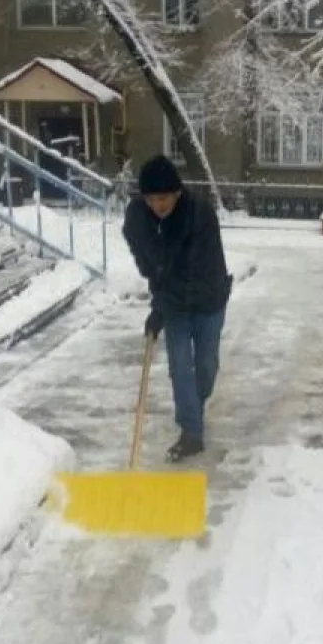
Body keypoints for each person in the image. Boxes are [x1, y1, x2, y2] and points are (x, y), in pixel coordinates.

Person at [122, 154, 232, 461]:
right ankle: (191, 433)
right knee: (180, 367)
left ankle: (194, 408)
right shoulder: (138, 222)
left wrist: (160, 306)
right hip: (176, 307)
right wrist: (161, 306)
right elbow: (152, 268)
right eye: (152, 199)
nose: (159, 205)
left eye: (164, 198)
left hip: (209, 297)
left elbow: (189, 270)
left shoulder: (199, 215)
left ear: (177, 193)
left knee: (206, 367)